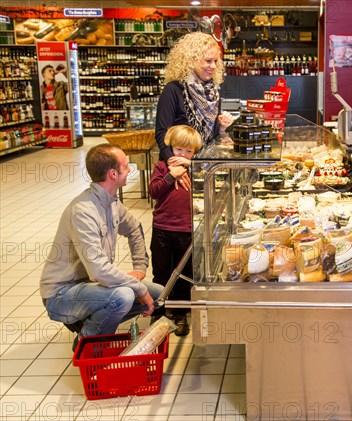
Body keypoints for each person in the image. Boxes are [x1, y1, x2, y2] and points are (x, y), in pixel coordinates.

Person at [40, 143, 163, 351]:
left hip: (89, 285)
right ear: (113, 174)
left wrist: (140, 268)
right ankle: (87, 344)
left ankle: (89, 320)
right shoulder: (83, 211)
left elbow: (134, 228)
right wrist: (138, 287)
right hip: (61, 294)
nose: (130, 168)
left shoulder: (112, 202)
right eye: (126, 165)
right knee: (123, 296)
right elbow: (98, 271)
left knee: (158, 293)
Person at [149, 125, 202, 336]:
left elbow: (208, 178)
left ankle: (180, 313)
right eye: (179, 150)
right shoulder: (161, 168)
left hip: (186, 229)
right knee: (161, 271)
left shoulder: (195, 170)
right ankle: (158, 310)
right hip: (162, 228)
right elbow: (154, 191)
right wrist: (172, 175)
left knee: (183, 273)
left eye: (189, 152)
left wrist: (190, 166)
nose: (182, 155)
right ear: (171, 147)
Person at [155, 32, 234, 164]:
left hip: (203, 165)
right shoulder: (173, 89)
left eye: (215, 61)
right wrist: (173, 163)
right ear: (191, 60)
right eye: (208, 61)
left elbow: (210, 136)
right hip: (177, 166)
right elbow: (161, 133)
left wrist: (221, 127)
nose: (213, 66)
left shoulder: (212, 93)